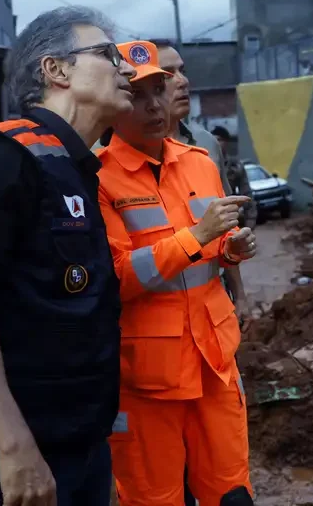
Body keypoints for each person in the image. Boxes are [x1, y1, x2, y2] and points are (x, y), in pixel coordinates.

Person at [0, 6, 136, 506]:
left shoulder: (71, 166)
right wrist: (13, 446)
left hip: (76, 444)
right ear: (55, 70)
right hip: (7, 459)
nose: (126, 68)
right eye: (108, 55)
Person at [97, 40, 257, 506]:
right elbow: (116, 279)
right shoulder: (97, 179)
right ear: (113, 103)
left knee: (232, 495)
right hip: (147, 380)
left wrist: (230, 250)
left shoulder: (199, 163)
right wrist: (198, 236)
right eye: (137, 95)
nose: (153, 106)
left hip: (214, 366)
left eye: (158, 91)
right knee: (155, 499)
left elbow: (212, 252)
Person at [147, 38, 252, 313]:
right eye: (167, 74)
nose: (182, 82)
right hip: (155, 315)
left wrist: (240, 296)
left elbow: (225, 228)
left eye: (182, 71)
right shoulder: (106, 156)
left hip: (211, 310)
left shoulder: (206, 145)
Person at [212, 126, 257, 229]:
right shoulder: (204, 163)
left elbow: (246, 193)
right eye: (213, 140)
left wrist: (250, 221)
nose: (216, 143)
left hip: (229, 217)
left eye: (219, 140)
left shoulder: (235, 166)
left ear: (226, 142)